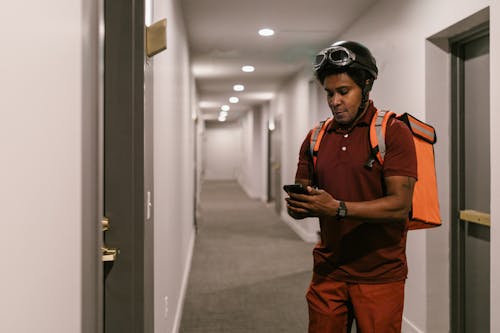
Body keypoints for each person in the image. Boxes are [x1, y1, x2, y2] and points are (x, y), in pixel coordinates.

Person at [285, 41, 417, 333]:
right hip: (329, 271)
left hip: (381, 274)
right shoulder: (315, 138)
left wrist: (336, 208)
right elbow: (303, 200)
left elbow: (399, 206)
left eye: (343, 92)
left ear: (366, 85)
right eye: (329, 94)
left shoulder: (393, 132)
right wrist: (300, 206)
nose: (334, 101)